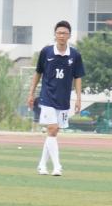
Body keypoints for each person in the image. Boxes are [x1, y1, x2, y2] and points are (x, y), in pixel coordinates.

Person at [27, 20, 84, 176]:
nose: (61, 36)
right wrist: (31, 93)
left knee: (53, 132)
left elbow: (78, 77)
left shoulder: (75, 55)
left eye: (64, 33)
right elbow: (38, 73)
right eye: (59, 33)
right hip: (47, 97)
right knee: (52, 128)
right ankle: (57, 166)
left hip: (63, 99)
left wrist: (78, 98)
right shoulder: (46, 52)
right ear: (55, 35)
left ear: (69, 35)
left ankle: (41, 165)